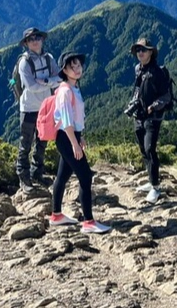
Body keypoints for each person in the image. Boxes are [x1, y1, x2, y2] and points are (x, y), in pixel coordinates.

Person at [48, 52, 111, 234]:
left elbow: (73, 119)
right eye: (72, 66)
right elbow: (66, 121)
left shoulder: (72, 87)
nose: (77, 69)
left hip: (69, 136)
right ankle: (88, 222)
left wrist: (79, 135)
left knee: (62, 176)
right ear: (64, 70)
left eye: (78, 66)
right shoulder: (66, 90)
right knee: (85, 176)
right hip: (67, 138)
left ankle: (56, 215)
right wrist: (75, 143)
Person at [15, 27, 61, 193]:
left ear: (42, 40)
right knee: (25, 143)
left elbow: (60, 78)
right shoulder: (24, 62)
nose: (35, 40)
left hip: (46, 107)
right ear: (26, 43)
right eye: (31, 39)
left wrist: (45, 81)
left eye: (37, 37)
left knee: (42, 141)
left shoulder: (49, 59)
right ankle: (24, 178)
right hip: (28, 108)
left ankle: (37, 173)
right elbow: (32, 87)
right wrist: (50, 81)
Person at [127, 38, 172, 203]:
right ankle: (151, 180)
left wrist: (153, 106)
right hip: (139, 115)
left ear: (151, 52)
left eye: (143, 50)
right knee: (143, 150)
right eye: (138, 50)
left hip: (153, 117)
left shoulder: (158, 72)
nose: (140, 53)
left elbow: (166, 95)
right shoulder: (138, 68)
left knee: (149, 148)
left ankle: (155, 187)